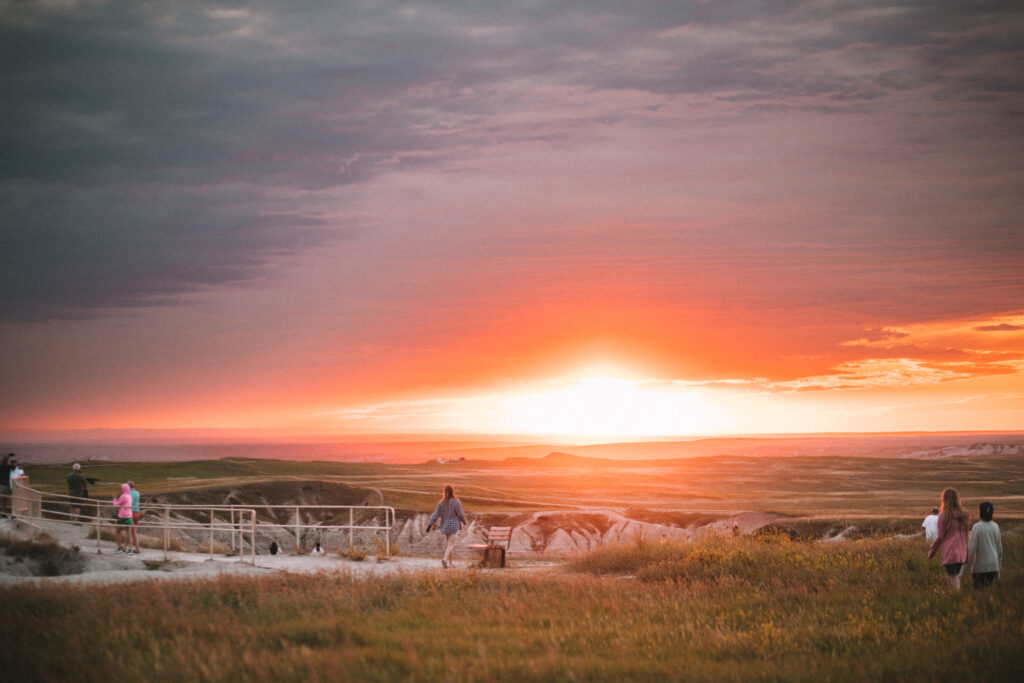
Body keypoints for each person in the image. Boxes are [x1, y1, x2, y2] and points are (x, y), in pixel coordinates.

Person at [927, 487, 970, 591]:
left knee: (952, 577)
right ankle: (953, 597)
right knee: (954, 576)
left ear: (944, 499)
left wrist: (932, 550)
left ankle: (955, 598)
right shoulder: (965, 515)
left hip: (950, 552)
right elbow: (966, 536)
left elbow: (941, 537)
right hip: (962, 553)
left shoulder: (943, 516)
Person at [426, 484, 467, 569]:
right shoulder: (456, 501)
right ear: (453, 491)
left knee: (450, 545)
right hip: (454, 526)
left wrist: (430, 524)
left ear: (444, 492)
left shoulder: (441, 502)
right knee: (451, 545)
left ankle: (451, 564)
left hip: (445, 526)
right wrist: (464, 521)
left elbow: (436, 514)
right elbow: (461, 514)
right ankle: (444, 560)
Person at [968, 501, 1002, 589]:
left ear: (979, 512)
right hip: (993, 567)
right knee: (990, 595)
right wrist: (998, 569)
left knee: (979, 594)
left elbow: (971, 550)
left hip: (980, 568)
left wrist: (964, 571)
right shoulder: (996, 526)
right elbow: (999, 550)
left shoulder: (977, 527)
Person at [112, 483, 134, 555]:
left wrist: (114, 499)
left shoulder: (123, 496)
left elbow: (116, 504)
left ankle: (119, 548)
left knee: (117, 531)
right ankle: (130, 549)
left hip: (122, 516)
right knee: (129, 533)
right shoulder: (130, 496)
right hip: (129, 516)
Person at [127, 481, 141, 554]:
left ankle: (134, 548)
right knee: (132, 530)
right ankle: (126, 547)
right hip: (137, 512)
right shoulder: (137, 493)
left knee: (132, 531)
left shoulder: (128, 494)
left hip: (131, 512)